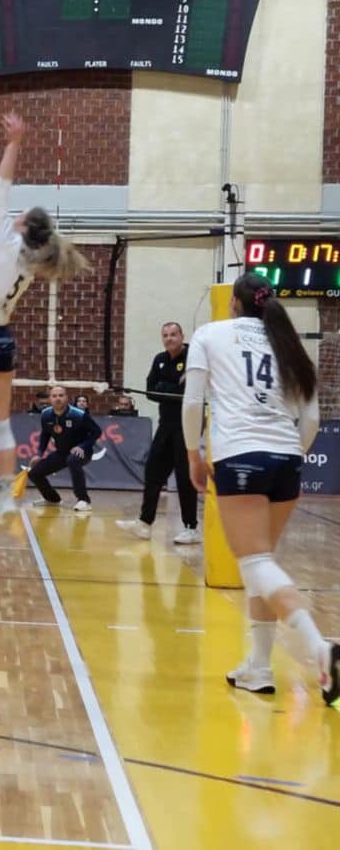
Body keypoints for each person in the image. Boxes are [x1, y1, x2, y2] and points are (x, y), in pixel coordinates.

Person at [182, 273, 334, 705]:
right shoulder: (288, 342)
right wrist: (291, 454)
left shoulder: (210, 333)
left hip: (241, 454)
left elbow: (192, 403)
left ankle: (320, 649)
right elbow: (311, 420)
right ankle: (259, 666)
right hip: (286, 458)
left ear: (234, 302)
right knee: (261, 563)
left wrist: (194, 455)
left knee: (255, 563)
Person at [0, 112, 88, 535]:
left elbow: (1, 186)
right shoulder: (30, 263)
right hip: (4, 340)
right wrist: (15, 143)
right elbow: (7, 193)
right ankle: (10, 496)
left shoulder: (5, 241)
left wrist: (14, 142)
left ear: (24, 227)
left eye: (23, 214)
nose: (16, 213)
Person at [116, 322, 200, 543]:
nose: (169, 338)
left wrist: (163, 387)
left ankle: (191, 527)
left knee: (184, 476)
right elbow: (150, 390)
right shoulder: (160, 359)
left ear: (182, 336)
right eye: (165, 335)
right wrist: (169, 388)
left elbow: (187, 390)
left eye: (173, 334)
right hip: (166, 424)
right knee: (153, 470)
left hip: (187, 425)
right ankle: (145, 522)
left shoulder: (193, 357)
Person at [27, 386, 99, 511]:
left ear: (66, 398)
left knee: (73, 460)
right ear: (50, 399)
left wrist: (82, 446)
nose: (58, 398)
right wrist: (39, 453)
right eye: (54, 396)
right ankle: (52, 499)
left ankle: (84, 500)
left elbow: (96, 432)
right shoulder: (46, 414)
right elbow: (45, 434)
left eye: (61, 395)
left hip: (82, 451)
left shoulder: (78, 414)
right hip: (62, 452)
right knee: (34, 473)